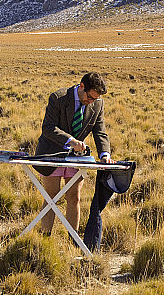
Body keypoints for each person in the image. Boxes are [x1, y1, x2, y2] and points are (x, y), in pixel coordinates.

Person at [34, 72, 113, 236]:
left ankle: (74, 240)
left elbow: (100, 132)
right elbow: (48, 128)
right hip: (52, 153)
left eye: (95, 99)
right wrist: (71, 141)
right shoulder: (58, 97)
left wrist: (105, 154)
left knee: (74, 197)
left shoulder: (97, 104)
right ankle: (44, 239)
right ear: (82, 86)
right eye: (90, 97)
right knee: (51, 198)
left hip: (76, 158)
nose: (91, 102)